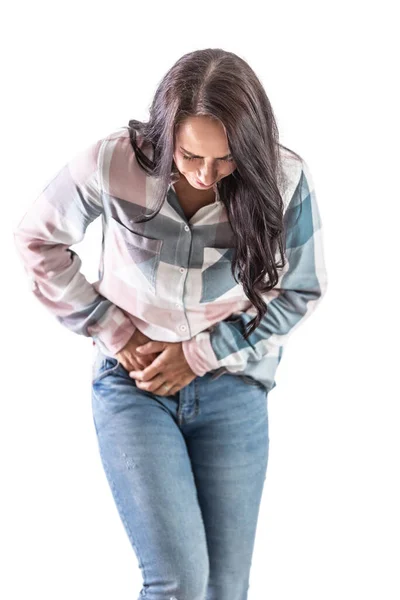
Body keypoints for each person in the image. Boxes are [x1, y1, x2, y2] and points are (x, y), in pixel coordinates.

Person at [13, 48, 328, 600]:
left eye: (227, 159)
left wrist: (200, 354)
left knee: (225, 589)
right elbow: (38, 240)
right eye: (189, 155)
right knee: (178, 584)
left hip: (234, 386)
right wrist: (114, 329)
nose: (207, 175)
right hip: (133, 387)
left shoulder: (285, 179)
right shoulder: (109, 163)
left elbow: (300, 289)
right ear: (165, 132)